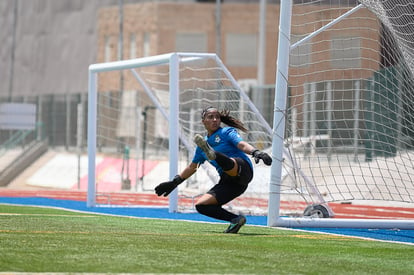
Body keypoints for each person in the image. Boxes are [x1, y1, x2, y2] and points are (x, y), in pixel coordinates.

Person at [155, 106, 272, 233]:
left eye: (217, 117)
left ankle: (214, 154)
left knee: (228, 163)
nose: (215, 119)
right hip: (231, 184)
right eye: (211, 117)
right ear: (203, 121)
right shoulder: (201, 147)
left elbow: (241, 144)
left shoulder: (227, 132)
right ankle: (235, 220)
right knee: (202, 205)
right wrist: (174, 182)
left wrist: (255, 152)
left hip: (243, 168)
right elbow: (192, 167)